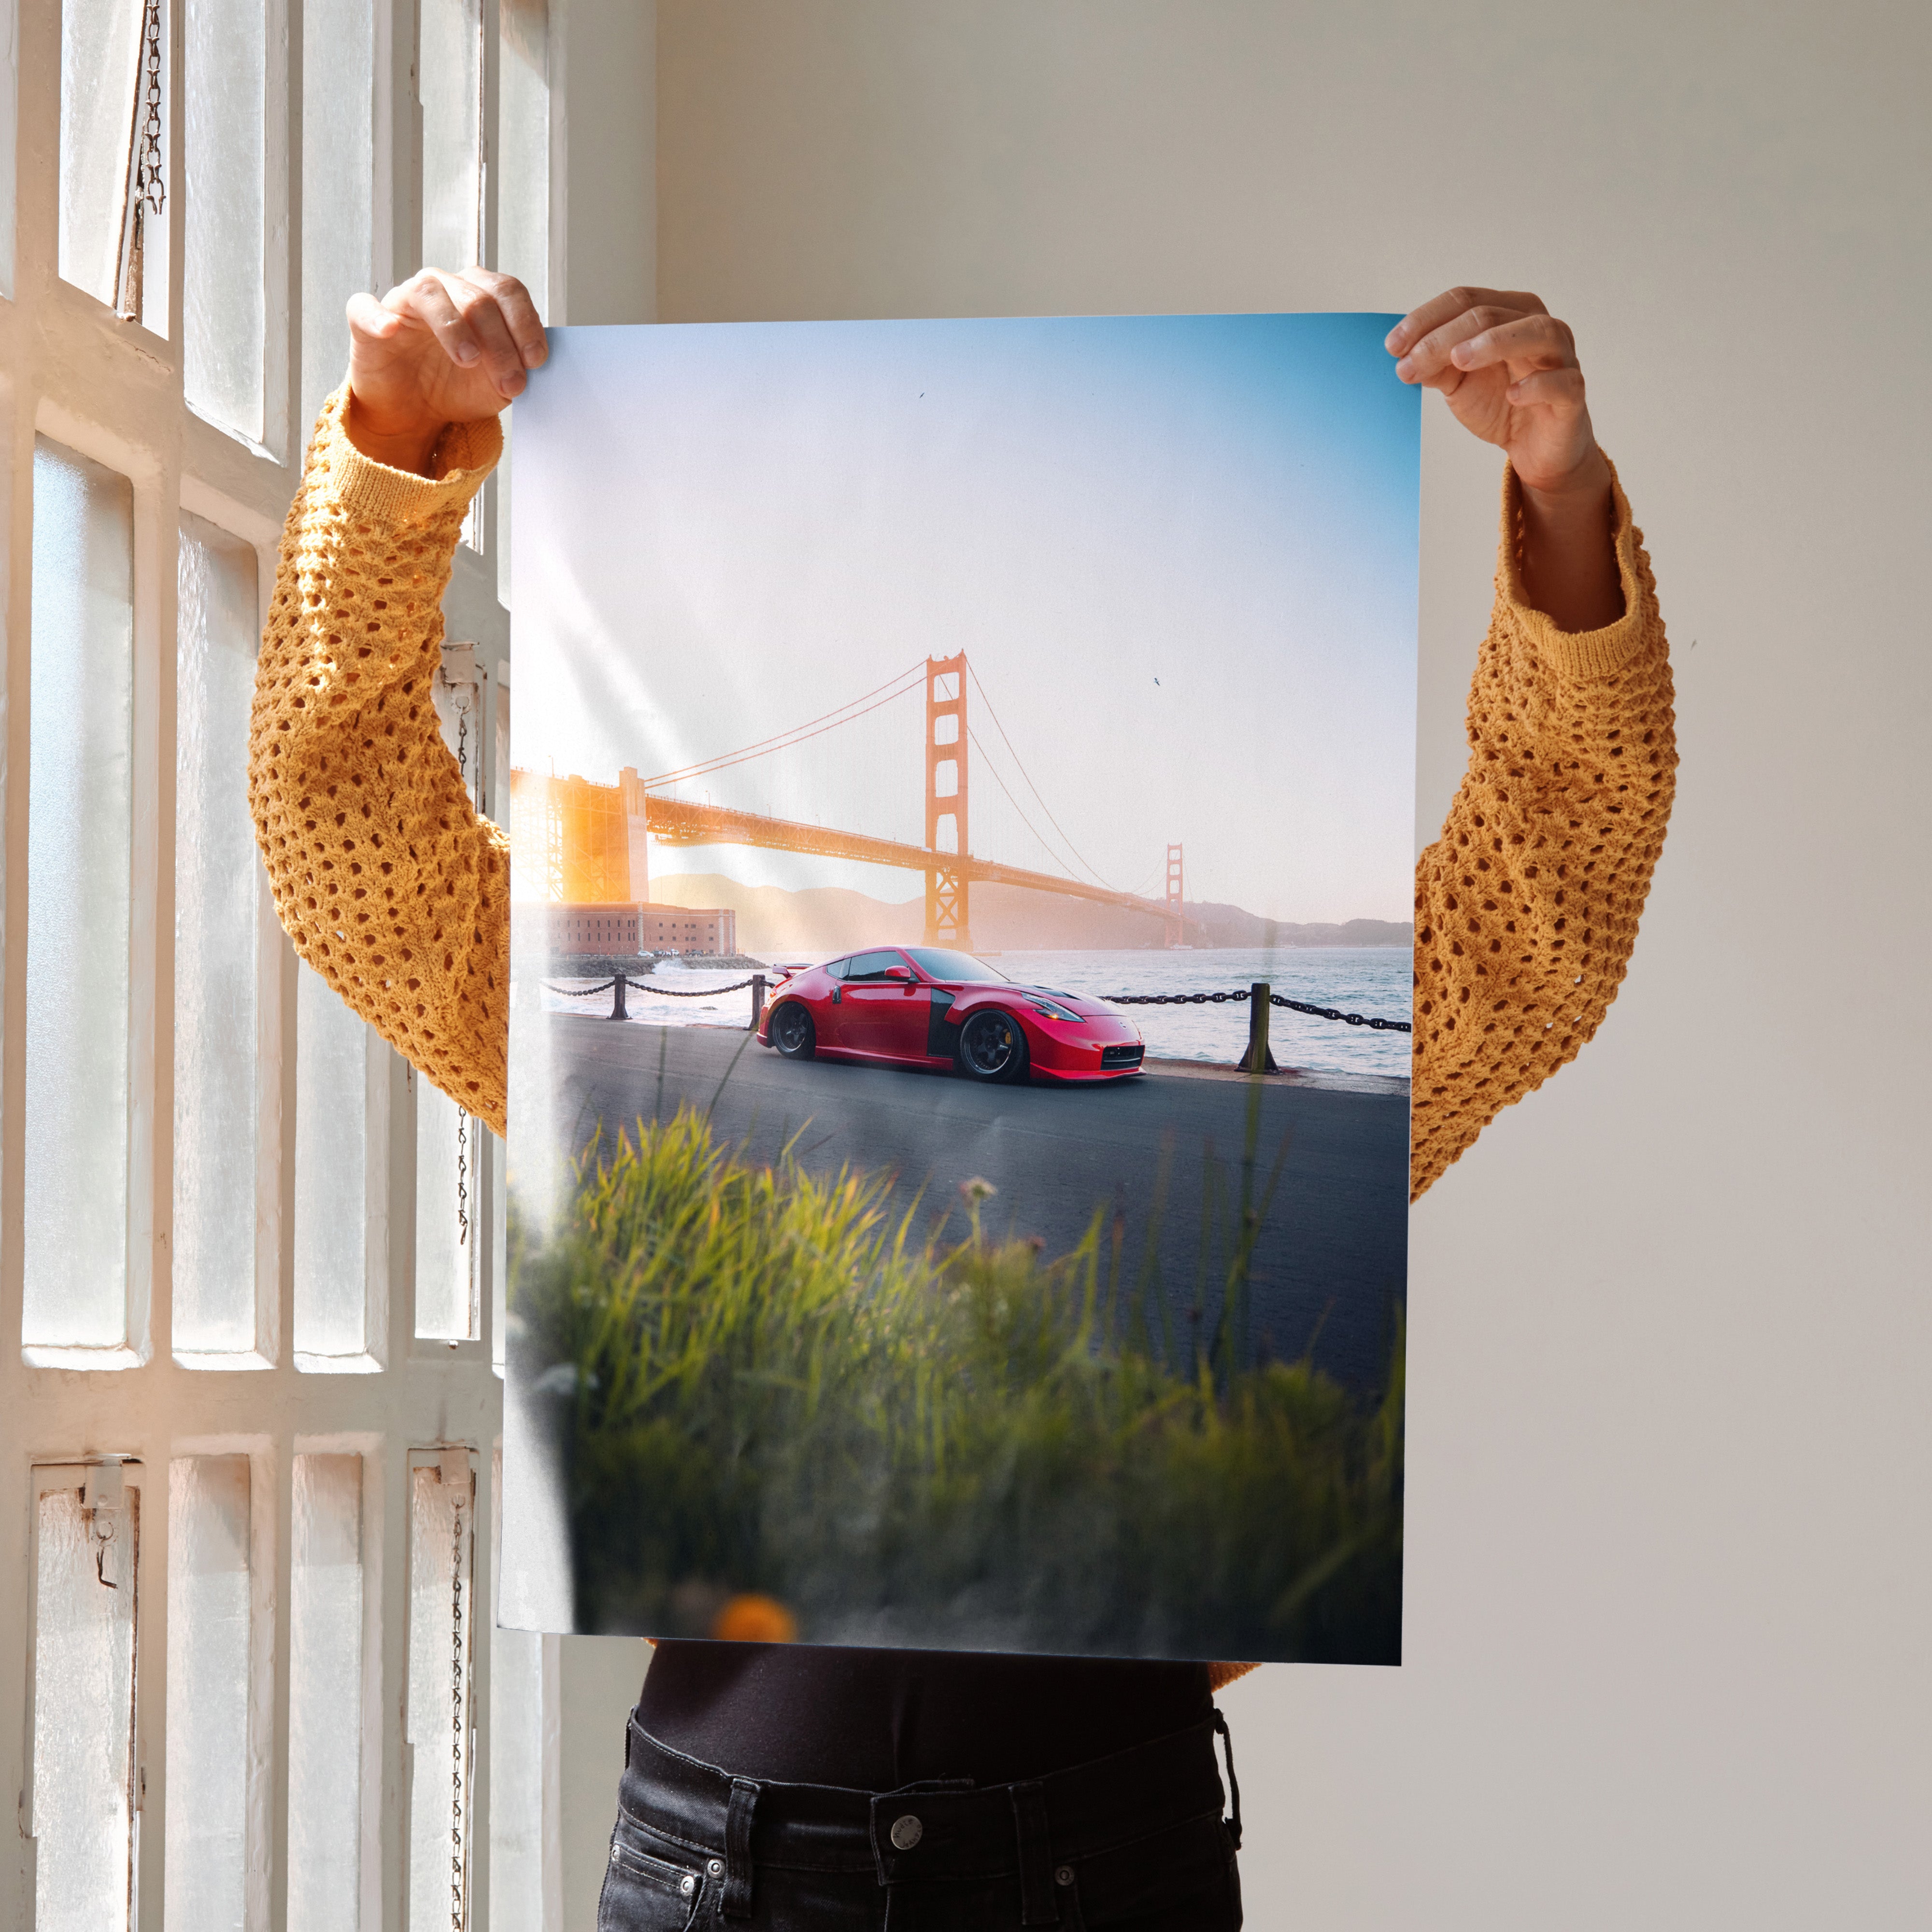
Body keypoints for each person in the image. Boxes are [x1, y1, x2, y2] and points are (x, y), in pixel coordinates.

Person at [250, 272, 1675, 1929]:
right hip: (730, 1866)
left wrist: (1561, 499)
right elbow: (345, 840)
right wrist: (392, 447)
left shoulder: (1227, 1118)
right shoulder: (605, 1074)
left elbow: (1545, 909)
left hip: (1102, 1854)